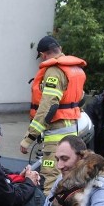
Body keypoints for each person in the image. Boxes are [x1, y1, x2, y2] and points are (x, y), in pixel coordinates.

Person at [21, 35, 88, 193]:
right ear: (60, 50)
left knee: (50, 180)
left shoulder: (54, 71)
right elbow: (82, 98)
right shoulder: (75, 69)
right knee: (69, 177)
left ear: (43, 55)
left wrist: (29, 138)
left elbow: (48, 107)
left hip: (56, 136)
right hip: (73, 133)